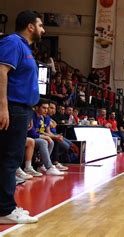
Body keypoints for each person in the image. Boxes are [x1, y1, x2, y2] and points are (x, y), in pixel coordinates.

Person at [0, 10, 45, 224]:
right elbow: (1, 72)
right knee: (8, 159)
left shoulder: (26, 48)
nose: (42, 29)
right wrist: (3, 107)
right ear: (30, 26)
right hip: (13, 107)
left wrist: (28, 111)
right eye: (40, 25)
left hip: (22, 109)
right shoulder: (12, 42)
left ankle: (7, 205)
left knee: (11, 158)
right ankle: (5, 209)